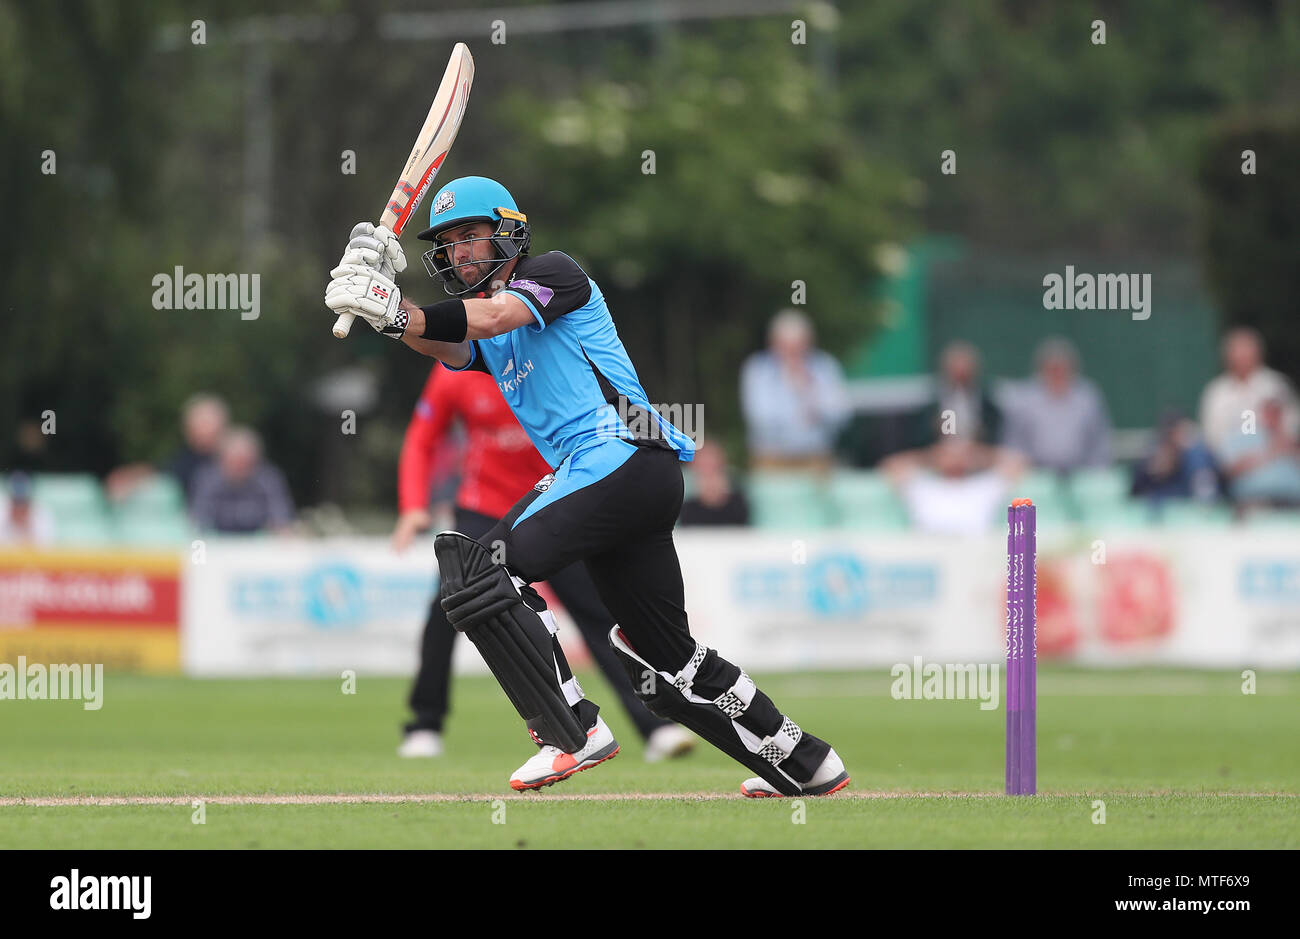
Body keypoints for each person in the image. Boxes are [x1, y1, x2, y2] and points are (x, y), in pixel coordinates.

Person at [325, 176, 848, 797]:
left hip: (618, 454)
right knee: (661, 658)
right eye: (449, 242)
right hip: (631, 479)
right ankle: (805, 760)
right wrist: (379, 308)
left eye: (471, 234)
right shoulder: (487, 328)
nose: (461, 251)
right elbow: (444, 339)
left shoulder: (555, 272)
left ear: (508, 230)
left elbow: (491, 317)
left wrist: (393, 307)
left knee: (479, 570)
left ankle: (570, 731)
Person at [393, 364, 694, 762]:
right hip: (483, 509)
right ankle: (425, 725)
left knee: (599, 616)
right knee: (449, 608)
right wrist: (413, 504)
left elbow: (615, 410)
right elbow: (422, 438)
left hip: (554, 506)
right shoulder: (453, 367)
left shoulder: (547, 355)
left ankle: (655, 726)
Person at [740, 309, 850, 472]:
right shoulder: (758, 370)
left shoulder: (825, 367)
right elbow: (760, 418)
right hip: (771, 459)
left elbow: (841, 414)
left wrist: (809, 391)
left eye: (799, 345)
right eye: (786, 346)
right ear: (773, 344)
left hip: (817, 458)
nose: (793, 352)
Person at [1001, 337, 1112, 473]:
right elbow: (1014, 442)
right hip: (1036, 475)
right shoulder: (1024, 399)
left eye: (1062, 368)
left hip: (1082, 474)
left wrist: (1096, 472)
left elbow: (1100, 441)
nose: (1058, 373)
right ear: (1041, 369)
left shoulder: (1087, 397)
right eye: (1052, 369)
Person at [880, 438, 1026, 535]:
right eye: (948, 454)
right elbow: (891, 466)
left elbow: (1017, 463)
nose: (954, 458)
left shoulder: (984, 486)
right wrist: (932, 455)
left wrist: (974, 452)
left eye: (961, 455)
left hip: (976, 558)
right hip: (929, 561)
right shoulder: (922, 486)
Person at [105, 393, 230, 506]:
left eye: (206, 424)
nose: (204, 431)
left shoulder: (235, 463)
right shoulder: (187, 460)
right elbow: (164, 472)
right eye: (200, 425)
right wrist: (131, 478)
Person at [1199, 327, 1300, 465]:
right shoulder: (1217, 391)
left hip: (1275, 458)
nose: (1242, 357)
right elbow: (1212, 436)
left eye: (1247, 351)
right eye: (1238, 352)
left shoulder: (1275, 386)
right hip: (1231, 464)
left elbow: (1291, 427)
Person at [190, 426, 295, 534]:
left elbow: (281, 519)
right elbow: (198, 521)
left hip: (260, 546)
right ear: (221, 460)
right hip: (218, 545)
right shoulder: (207, 480)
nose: (240, 466)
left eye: (245, 461)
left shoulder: (269, 479)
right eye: (234, 461)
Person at [910, 341, 1002, 446]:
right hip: (939, 450)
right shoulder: (933, 403)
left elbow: (995, 435)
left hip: (977, 449)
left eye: (965, 374)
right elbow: (919, 437)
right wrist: (935, 428)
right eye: (956, 373)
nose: (960, 377)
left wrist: (979, 432)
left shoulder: (987, 404)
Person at [1218, 397, 1300, 514]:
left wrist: (1292, 449)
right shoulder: (1243, 437)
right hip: (1254, 502)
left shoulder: (1290, 439)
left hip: (1293, 503)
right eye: (1269, 412)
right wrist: (1271, 452)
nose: (1273, 417)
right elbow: (1228, 472)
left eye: (1277, 413)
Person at [677, 443, 750, 527]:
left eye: (711, 463)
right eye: (703, 464)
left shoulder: (738, 495)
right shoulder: (684, 497)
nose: (708, 469)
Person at [0, 471, 56, 545]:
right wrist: (11, 521)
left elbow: (48, 544)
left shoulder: (40, 511)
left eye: (22, 503)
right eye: (16, 502)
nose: (19, 508)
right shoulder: (2, 509)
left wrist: (27, 524)